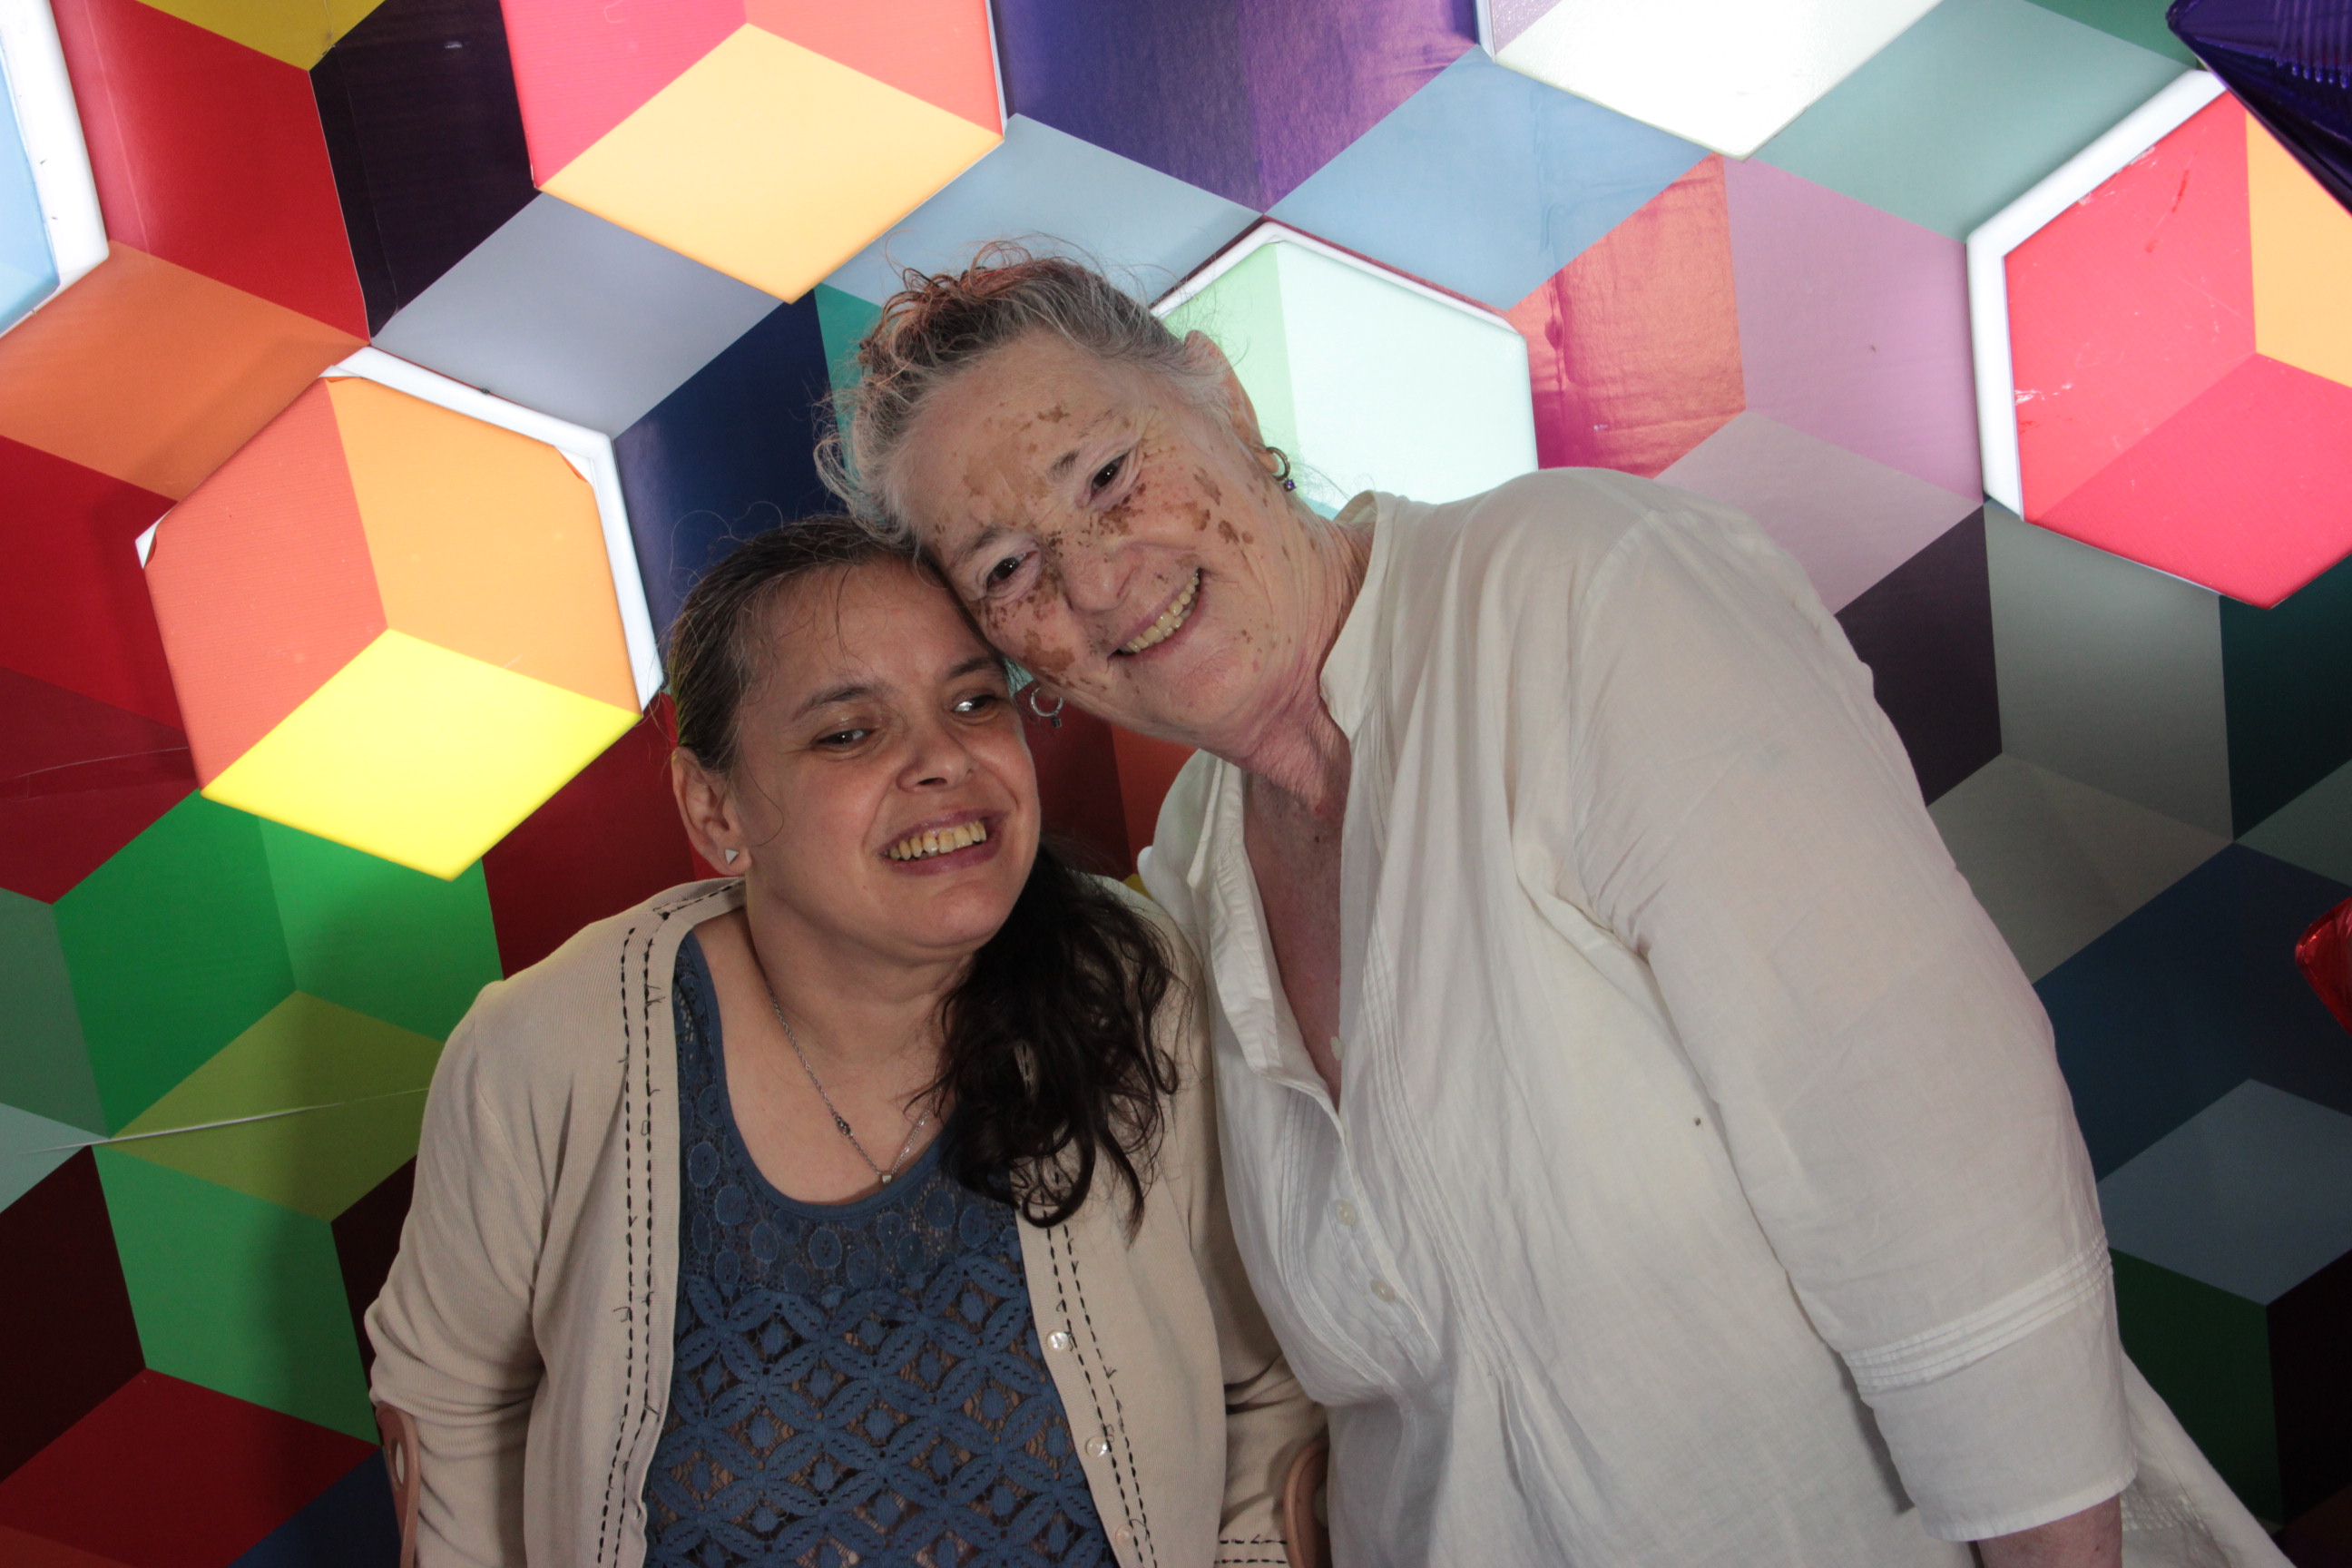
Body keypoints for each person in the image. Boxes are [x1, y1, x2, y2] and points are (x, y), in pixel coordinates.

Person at [819, 250, 2291, 1568]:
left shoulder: (1581, 589)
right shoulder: (1194, 865)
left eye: (1102, 473)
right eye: (1007, 567)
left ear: (1217, 392)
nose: (1094, 578)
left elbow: (1933, 1138)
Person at [367, 516, 1321, 1566]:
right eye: (849, 733)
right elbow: (450, 1404)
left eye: (974, 702)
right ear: (714, 807)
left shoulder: (1126, 985)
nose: (943, 759)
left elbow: (1269, 1385)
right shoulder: (551, 1049)